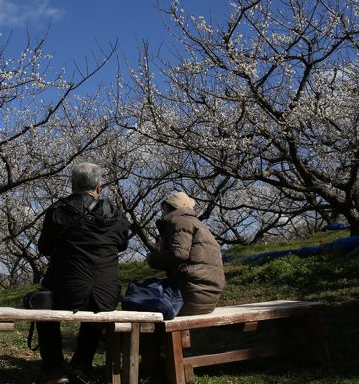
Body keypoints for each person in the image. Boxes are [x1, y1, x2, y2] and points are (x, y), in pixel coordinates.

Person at [36, 162, 130, 384]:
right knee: (96, 306)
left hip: (67, 290)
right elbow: (123, 244)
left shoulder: (59, 211)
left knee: (42, 304)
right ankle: (82, 366)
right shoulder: (116, 213)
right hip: (107, 293)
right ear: (100, 187)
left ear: (72, 185)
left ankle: (53, 369)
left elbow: (44, 248)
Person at [140, 190, 225, 379]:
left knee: (141, 306)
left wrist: (153, 259)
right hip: (208, 295)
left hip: (191, 295)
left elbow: (178, 253)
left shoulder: (179, 222)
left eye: (163, 209)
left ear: (170, 208)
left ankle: (152, 365)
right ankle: (158, 357)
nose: (161, 213)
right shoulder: (197, 223)